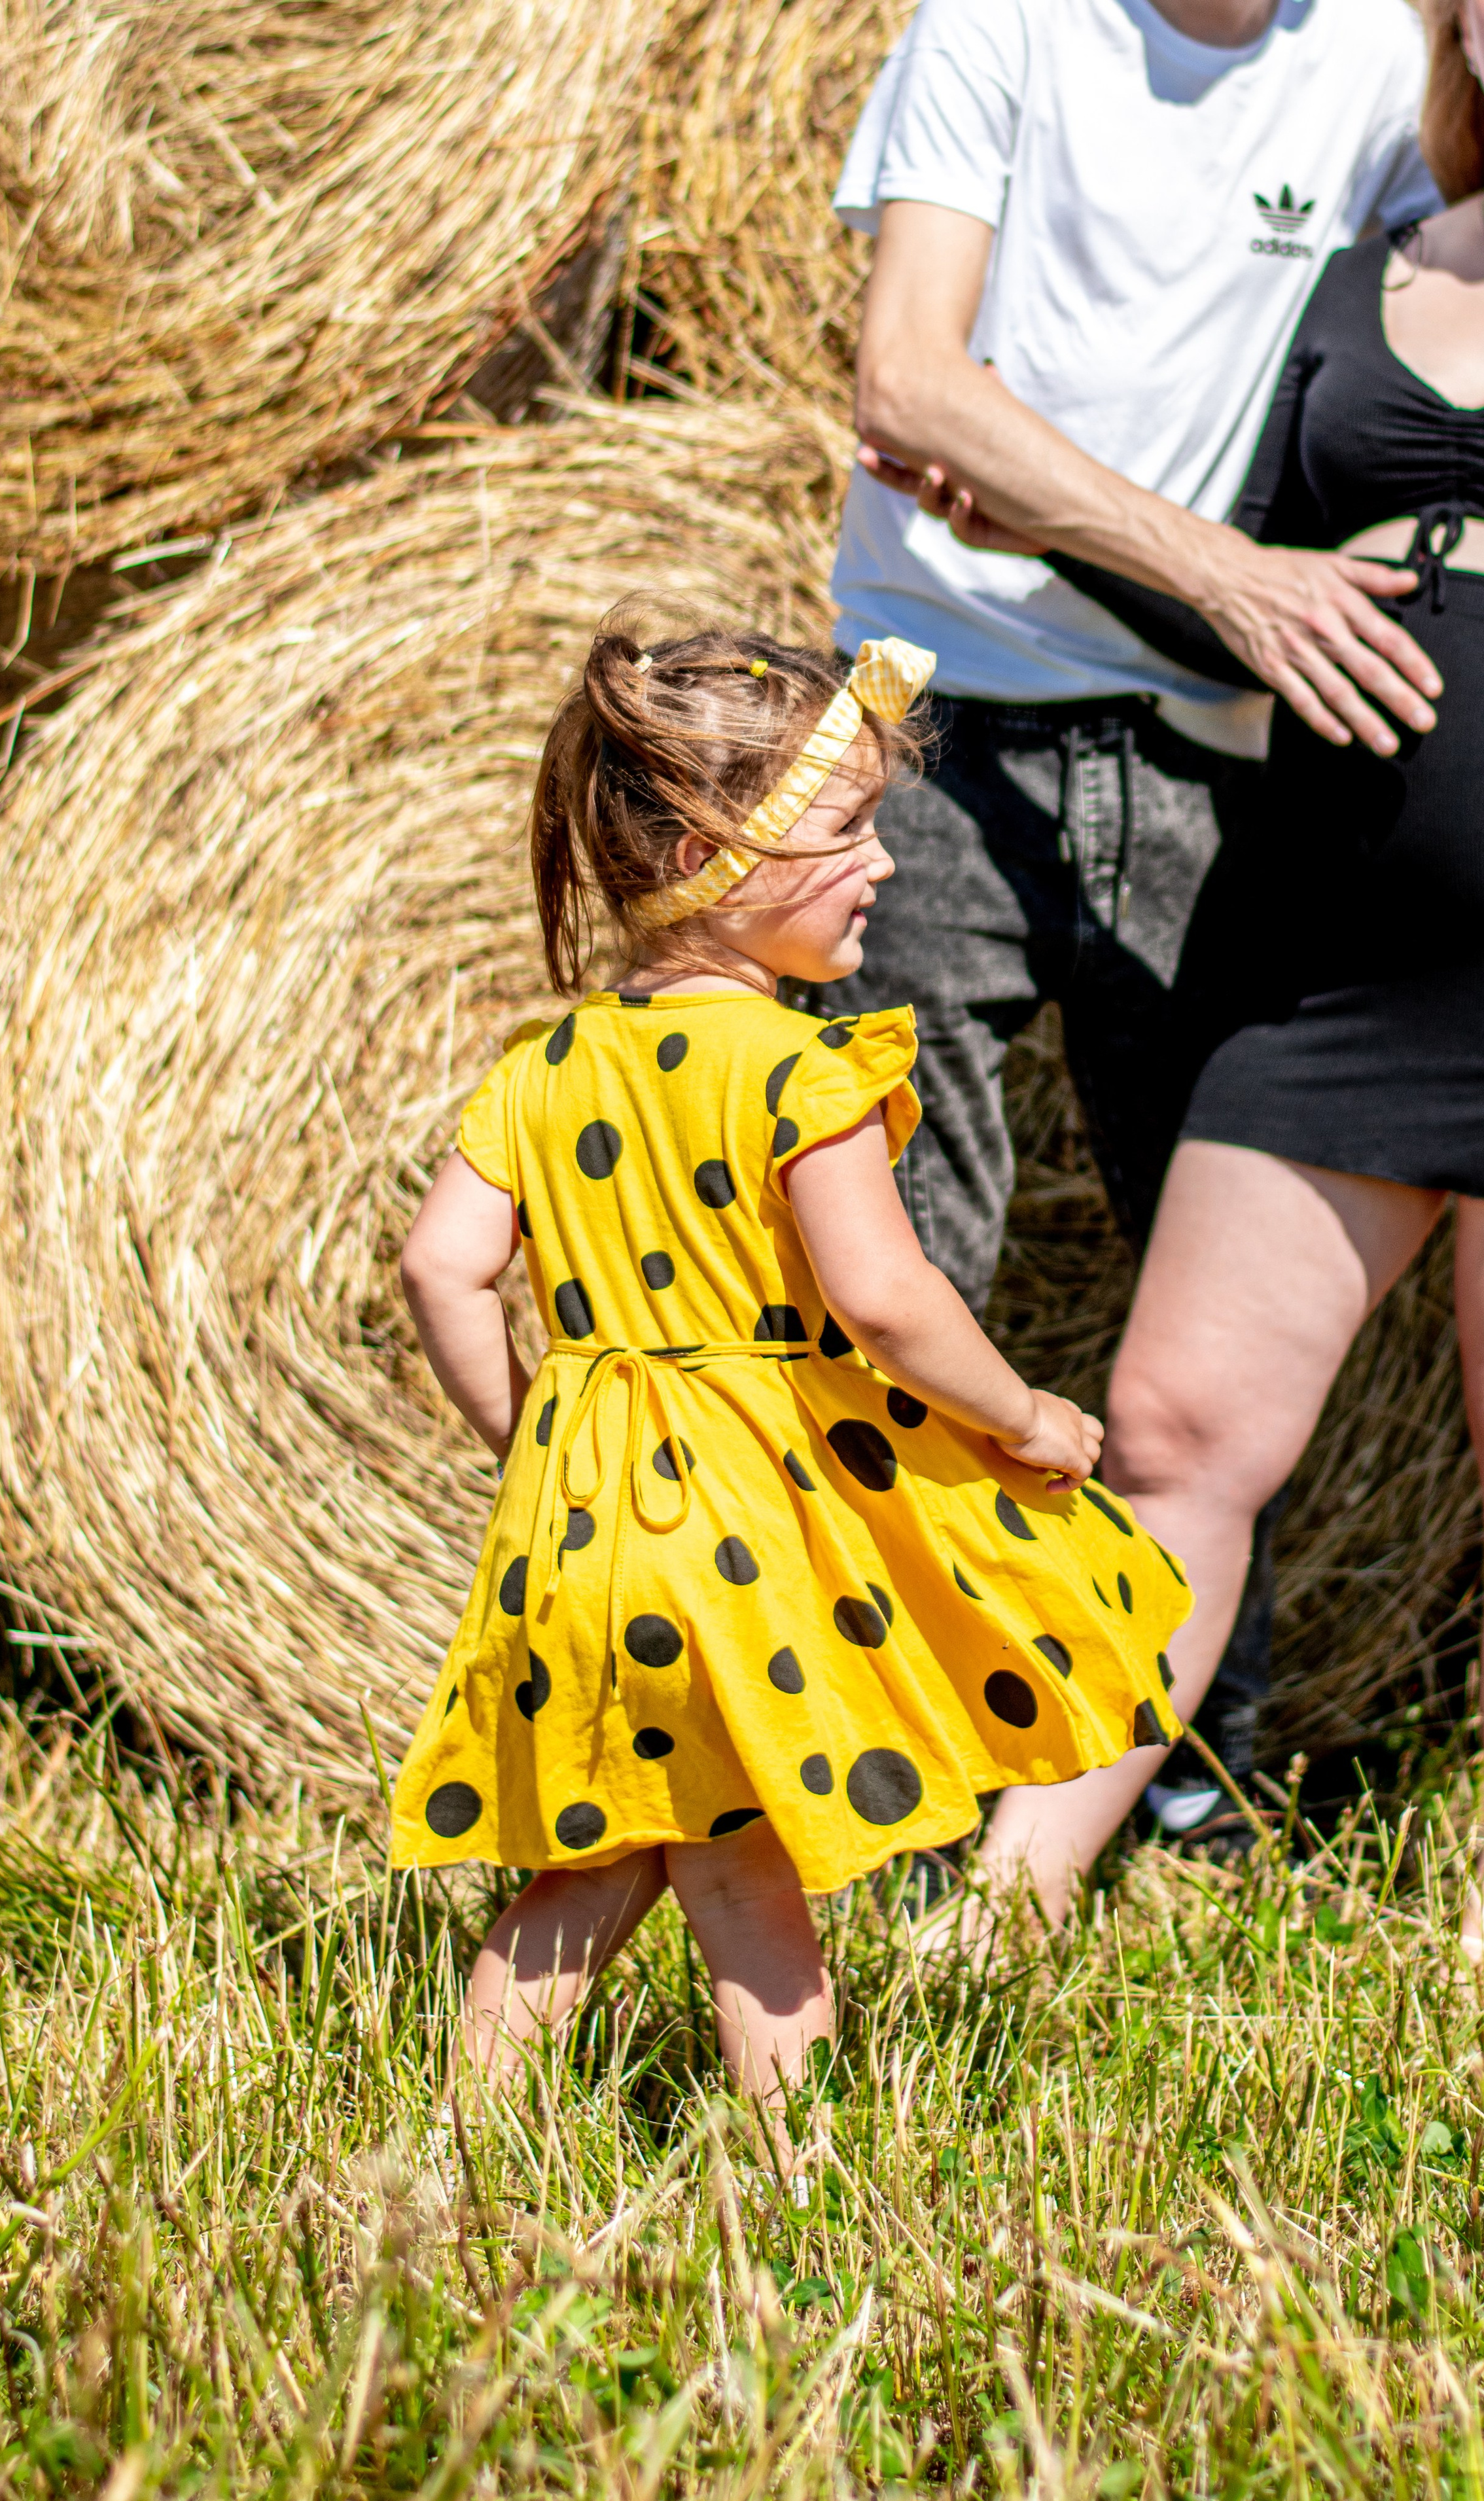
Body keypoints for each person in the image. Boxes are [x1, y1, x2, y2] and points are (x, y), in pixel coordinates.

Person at [929, 0, 1484, 1945]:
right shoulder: (1369, 271)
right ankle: (1005, 1911)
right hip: (1321, 956)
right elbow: (1249, 588)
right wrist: (1049, 532)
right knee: (1173, 1433)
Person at [387, 619, 1190, 2142]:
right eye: (845, 831)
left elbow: (441, 1267)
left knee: (613, 1849)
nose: (883, 864)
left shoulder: (545, 1070)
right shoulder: (798, 1072)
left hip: (592, 1530)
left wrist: (533, 1437)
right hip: (737, 1544)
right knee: (744, 1854)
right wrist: (1022, 1416)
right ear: (709, 850)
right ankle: (803, 2179)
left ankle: (462, 2148)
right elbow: (885, 1300)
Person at [815, 0, 1445, 1828]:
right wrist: (1218, 570)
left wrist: (1065, 514)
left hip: (1223, 757)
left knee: (1215, 1285)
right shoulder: (995, 27)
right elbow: (910, 387)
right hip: (936, 725)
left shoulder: (1386, 72)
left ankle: (1188, 1783)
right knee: (898, 1259)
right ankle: (894, 1772)